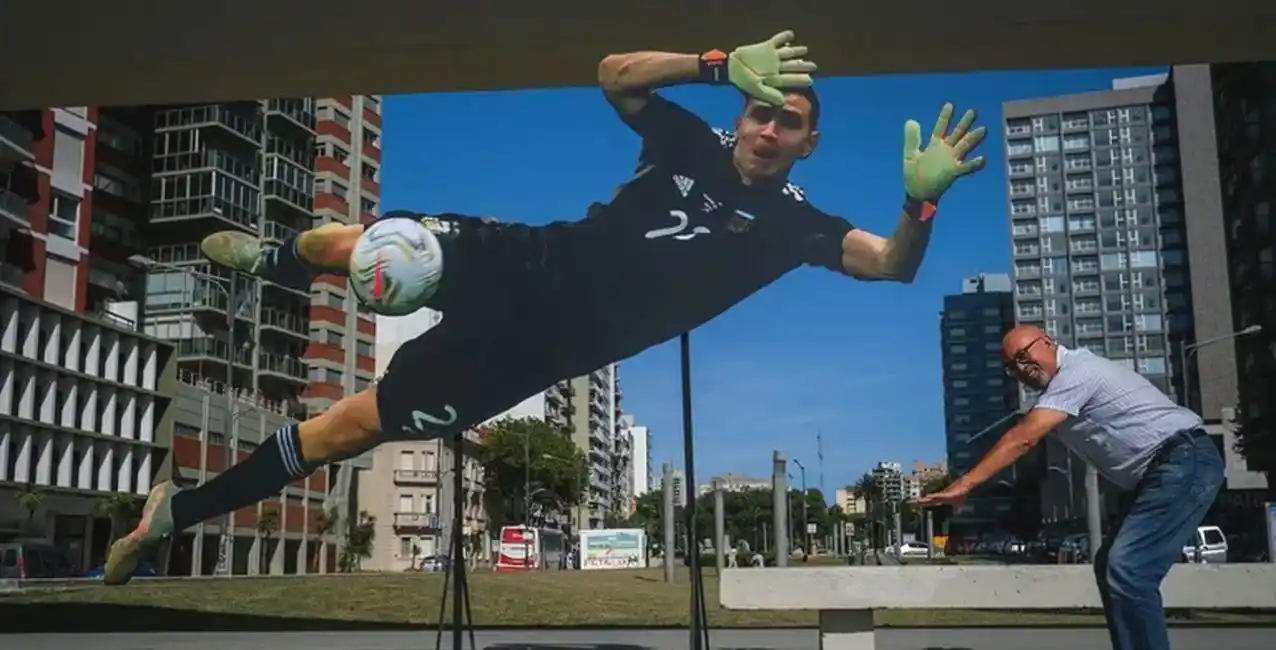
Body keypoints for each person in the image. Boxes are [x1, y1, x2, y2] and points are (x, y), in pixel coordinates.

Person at [104, 29, 987, 584]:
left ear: (809, 142)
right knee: (361, 247)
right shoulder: (690, 134)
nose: (765, 128)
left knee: (349, 430)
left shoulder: (800, 225)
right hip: (525, 260)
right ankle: (275, 261)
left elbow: (891, 267)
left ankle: (174, 512)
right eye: (758, 111)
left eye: (784, 122)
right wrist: (716, 65)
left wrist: (920, 206)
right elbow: (615, 76)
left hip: (533, 357)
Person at [918, 324, 1224, 650]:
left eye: (1024, 356)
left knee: (1128, 568)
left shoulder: (1078, 372)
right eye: (1012, 366)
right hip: (1162, 472)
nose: (1022, 368)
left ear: (1047, 343)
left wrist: (964, 484)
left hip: (1184, 460)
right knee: (1109, 565)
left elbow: (1023, 437)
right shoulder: (1063, 388)